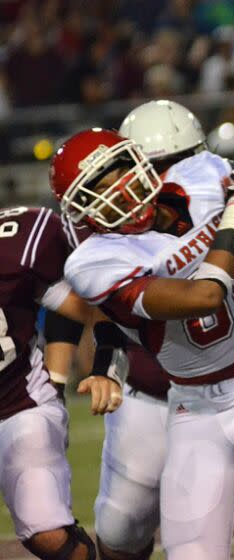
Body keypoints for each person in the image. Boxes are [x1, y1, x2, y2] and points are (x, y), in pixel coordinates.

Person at [49, 127, 234, 560]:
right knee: (184, 549)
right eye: (97, 188)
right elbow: (204, 296)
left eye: (117, 172)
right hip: (196, 399)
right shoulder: (96, 259)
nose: (117, 189)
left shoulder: (204, 173)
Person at [0, 205, 123, 560]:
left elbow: (91, 309)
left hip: (17, 405)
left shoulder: (17, 244)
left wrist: (102, 365)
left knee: (48, 535)